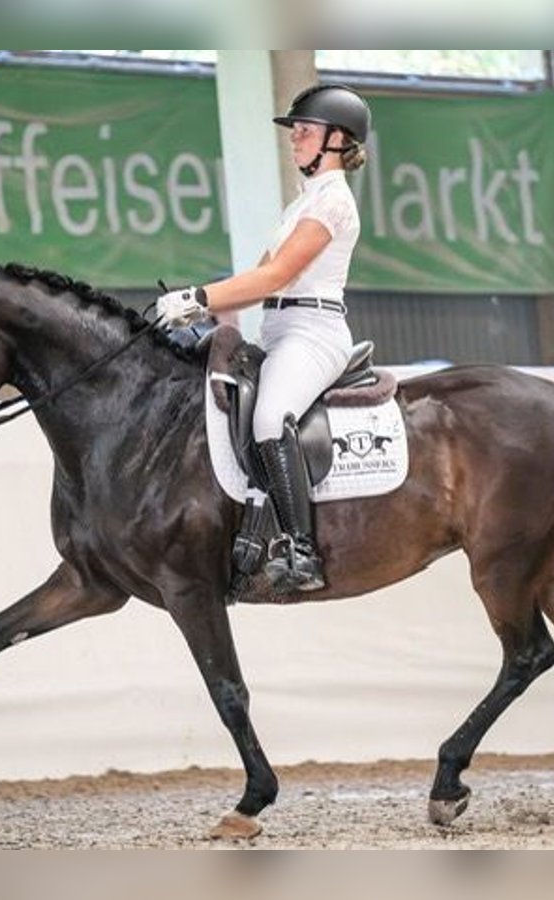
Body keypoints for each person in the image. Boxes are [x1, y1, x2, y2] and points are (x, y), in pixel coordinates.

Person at [156, 83, 371, 593]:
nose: (294, 137)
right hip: (280, 328)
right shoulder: (300, 206)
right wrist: (204, 319)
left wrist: (198, 296)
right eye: (294, 130)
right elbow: (256, 279)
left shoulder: (333, 202)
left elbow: (276, 279)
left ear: (337, 139)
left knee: (272, 417)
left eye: (305, 129)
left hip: (314, 333)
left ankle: (301, 549)